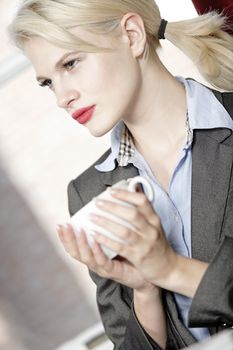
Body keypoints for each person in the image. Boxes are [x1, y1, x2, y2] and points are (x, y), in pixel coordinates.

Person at [9, 1, 233, 349]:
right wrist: (144, 292)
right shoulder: (90, 192)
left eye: (70, 63)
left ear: (132, 35)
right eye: (48, 82)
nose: (62, 97)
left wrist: (170, 269)